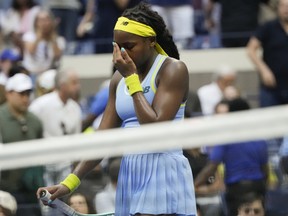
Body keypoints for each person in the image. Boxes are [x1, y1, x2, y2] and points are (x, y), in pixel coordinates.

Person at [37, 2, 197, 216]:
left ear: (150, 41)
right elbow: (103, 138)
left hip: (163, 169)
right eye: (117, 46)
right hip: (130, 171)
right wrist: (69, 183)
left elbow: (155, 128)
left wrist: (131, 79)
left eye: (129, 46)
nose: (122, 54)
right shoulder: (117, 79)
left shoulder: (173, 69)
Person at [195, 97, 269, 216]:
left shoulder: (227, 136)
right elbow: (265, 168)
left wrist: (195, 184)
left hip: (236, 191)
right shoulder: (259, 138)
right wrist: (264, 188)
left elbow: (212, 166)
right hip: (257, 187)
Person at [30, 68, 81, 216]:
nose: (78, 86)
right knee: (44, 204)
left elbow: (77, 139)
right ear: (62, 85)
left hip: (65, 163)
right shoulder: (40, 105)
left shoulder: (75, 108)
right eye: (74, 83)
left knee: (62, 204)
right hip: (44, 162)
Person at [0, 73, 43, 216]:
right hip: (5, 189)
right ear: (9, 94)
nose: (25, 98)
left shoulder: (35, 121)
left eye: (28, 93)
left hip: (31, 189)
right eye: (21, 94)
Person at [246, 0, 288, 108]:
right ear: (278, 8)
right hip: (272, 87)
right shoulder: (268, 27)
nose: (286, 9)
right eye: (283, 6)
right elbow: (251, 49)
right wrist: (263, 70)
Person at [22, 10, 65, 76]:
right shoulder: (29, 36)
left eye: (46, 20)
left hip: (48, 74)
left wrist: (53, 38)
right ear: (36, 23)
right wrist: (38, 37)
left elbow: (57, 56)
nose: (44, 23)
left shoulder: (58, 39)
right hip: (31, 73)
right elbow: (31, 51)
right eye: (41, 20)